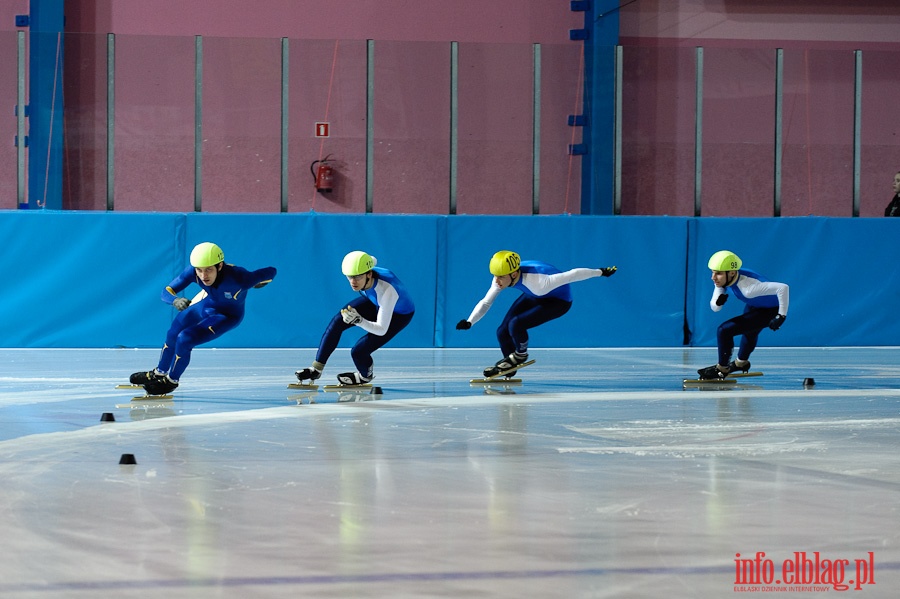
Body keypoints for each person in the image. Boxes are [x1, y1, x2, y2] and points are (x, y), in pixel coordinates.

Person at [130, 242, 276, 395]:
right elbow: (166, 291)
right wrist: (175, 300)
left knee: (185, 338)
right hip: (206, 306)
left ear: (220, 266)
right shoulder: (193, 272)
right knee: (173, 332)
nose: (204, 276)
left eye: (209, 270)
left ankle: (171, 381)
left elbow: (272, 271)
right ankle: (159, 372)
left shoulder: (241, 278)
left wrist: (262, 282)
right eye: (199, 270)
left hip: (227, 316)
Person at [456, 250, 617, 378]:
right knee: (502, 331)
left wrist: (601, 272)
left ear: (513, 274)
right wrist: (470, 322)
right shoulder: (502, 276)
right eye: (495, 276)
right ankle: (509, 368)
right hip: (535, 295)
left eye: (501, 277)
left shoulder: (540, 282)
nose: (497, 281)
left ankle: (520, 355)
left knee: (516, 324)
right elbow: (486, 302)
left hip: (558, 301)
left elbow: (573, 274)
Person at [295, 251, 415, 386]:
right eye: (349, 277)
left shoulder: (387, 291)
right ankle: (316, 369)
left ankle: (365, 376)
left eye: (357, 277)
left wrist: (359, 321)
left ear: (369, 274)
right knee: (338, 321)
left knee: (359, 351)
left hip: (398, 314)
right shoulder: (367, 267)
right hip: (374, 301)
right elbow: (372, 259)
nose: (353, 282)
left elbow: (381, 330)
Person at [698, 250, 789, 380]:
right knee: (750, 333)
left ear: (732, 273)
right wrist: (718, 303)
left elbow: (783, 288)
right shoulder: (726, 278)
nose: (713, 277)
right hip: (755, 306)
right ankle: (741, 363)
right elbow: (715, 308)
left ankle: (722, 369)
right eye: (712, 272)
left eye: (717, 273)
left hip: (770, 310)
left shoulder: (748, 289)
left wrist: (781, 316)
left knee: (724, 330)